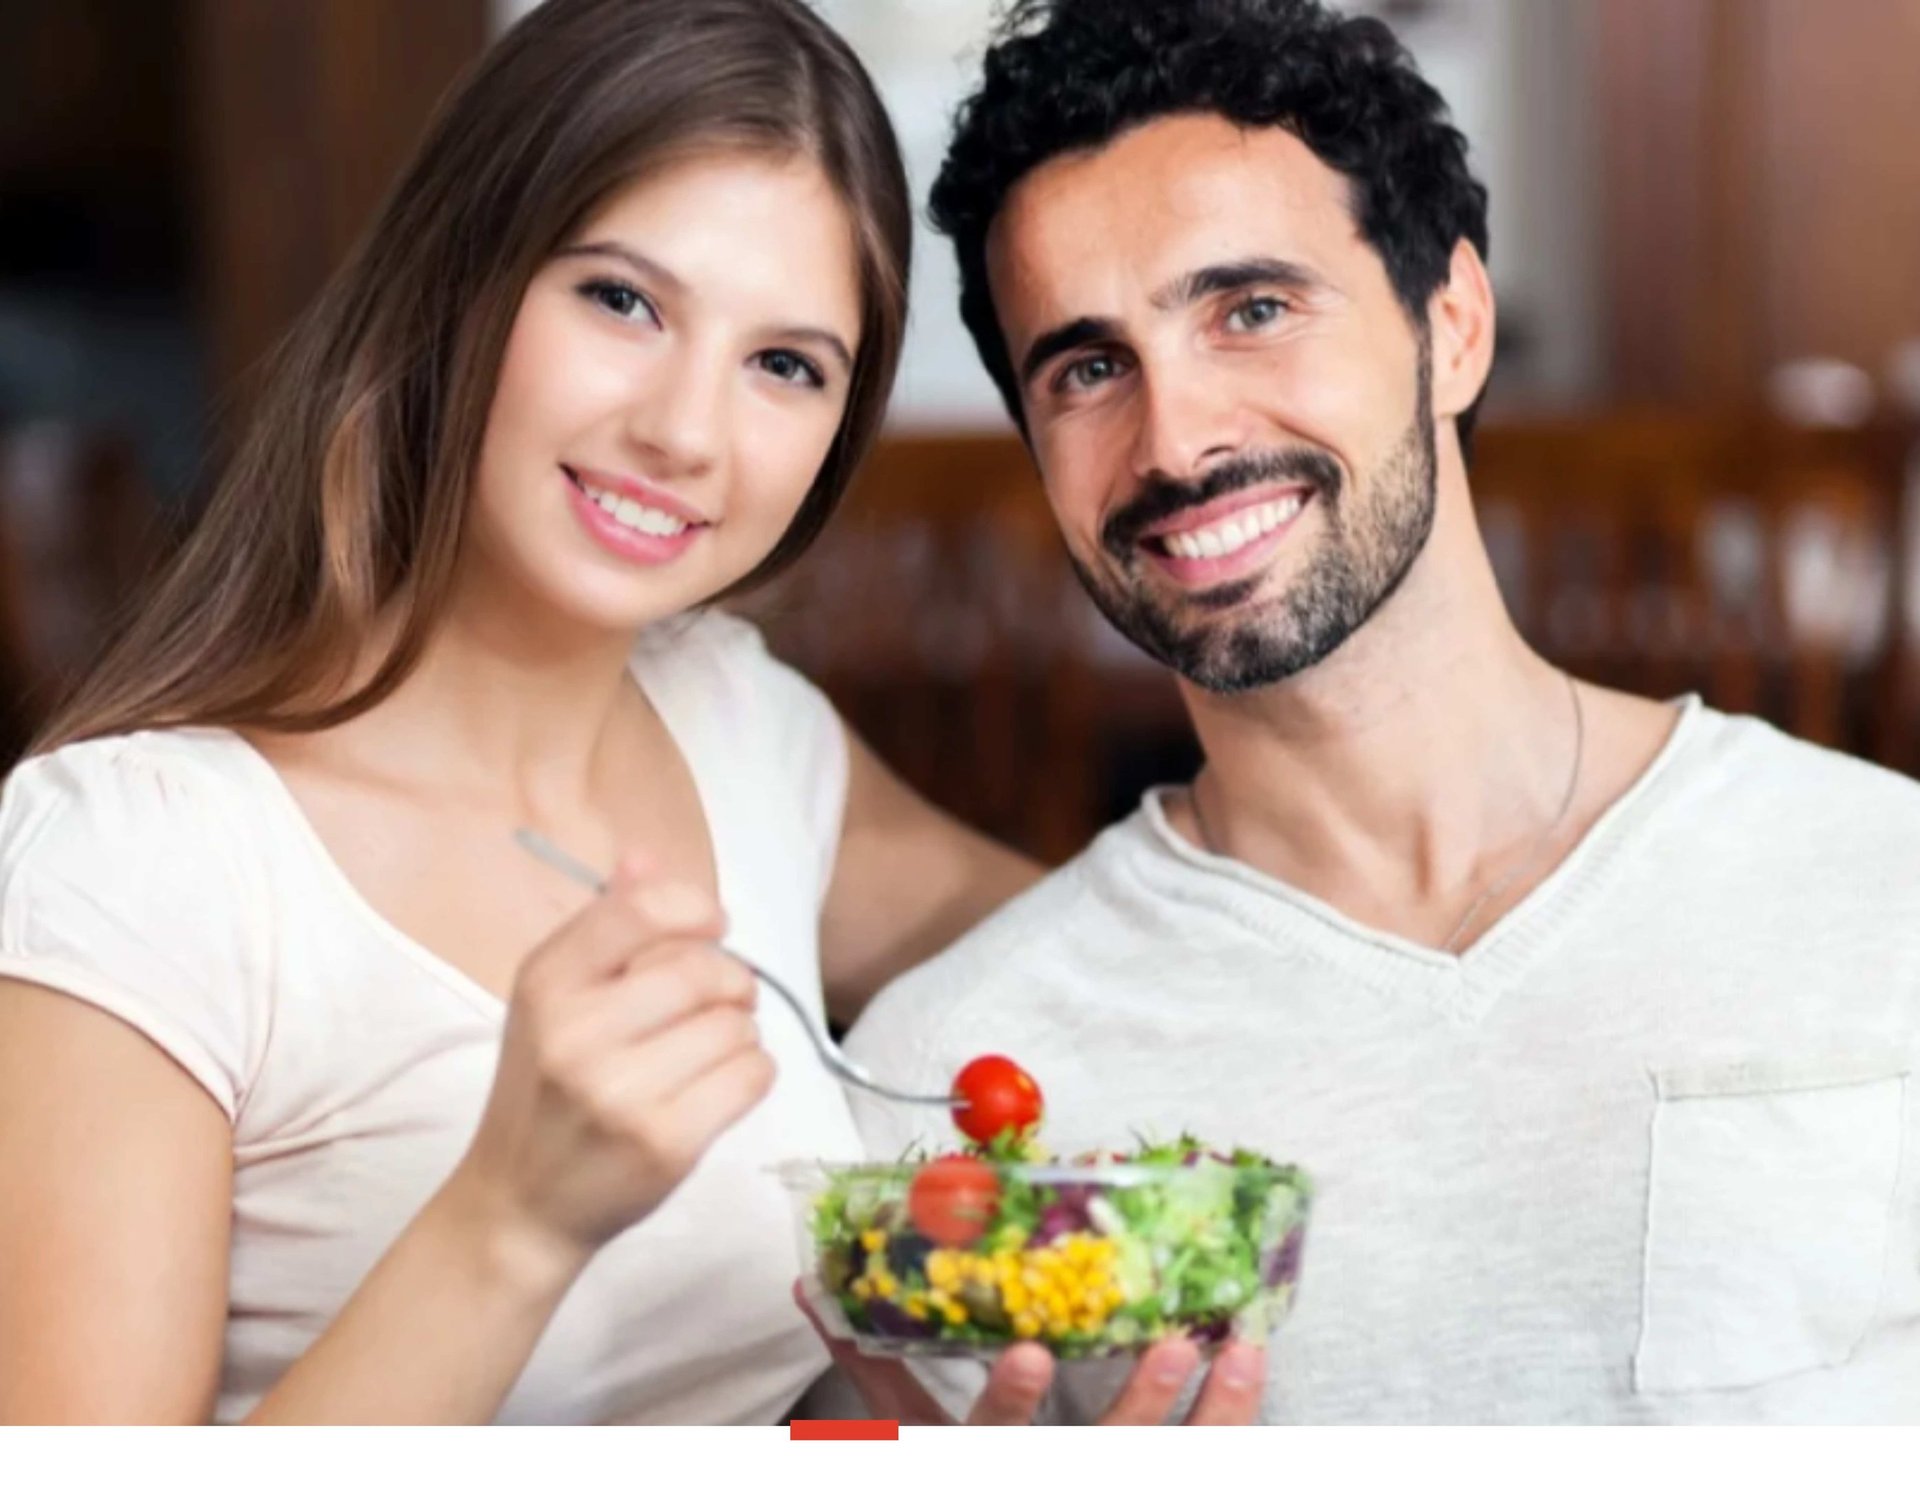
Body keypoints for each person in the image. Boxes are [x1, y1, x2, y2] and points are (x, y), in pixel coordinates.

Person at [843, 0, 1920, 1424]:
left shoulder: (1882, 887)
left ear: (1454, 326)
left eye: (1252, 309)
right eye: (1090, 367)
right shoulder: (942, 1093)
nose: (1176, 440)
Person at [0, 0, 1064, 1426]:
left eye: (785, 364)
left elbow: (1117, 953)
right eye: (623, 299)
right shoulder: (134, 858)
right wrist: (510, 1219)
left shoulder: (747, 734)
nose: (685, 430)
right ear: (463, 277)